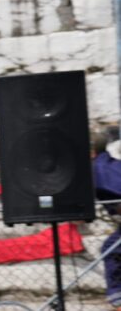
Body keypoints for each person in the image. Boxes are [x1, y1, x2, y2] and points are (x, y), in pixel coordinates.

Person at [94, 128, 121, 310]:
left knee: (111, 250)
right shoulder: (108, 165)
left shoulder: (100, 167)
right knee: (111, 248)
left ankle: (118, 298)